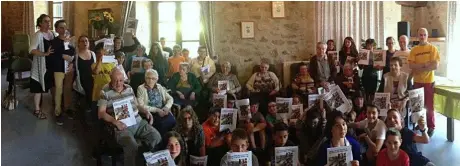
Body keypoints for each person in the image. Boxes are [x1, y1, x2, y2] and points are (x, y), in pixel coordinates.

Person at [97, 68, 161, 166]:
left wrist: (145, 111)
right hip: (121, 126)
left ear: (124, 80)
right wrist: (115, 122)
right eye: (115, 81)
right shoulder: (105, 91)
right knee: (132, 145)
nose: (118, 84)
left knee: (156, 137)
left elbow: (137, 105)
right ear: (110, 79)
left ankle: (145, 162)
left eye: (121, 80)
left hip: (138, 122)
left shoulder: (129, 88)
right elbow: (101, 113)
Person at [408, 28, 440, 137]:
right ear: (418, 36)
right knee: (418, 106)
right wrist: (426, 65)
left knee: (429, 106)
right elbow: (411, 65)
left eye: (424, 35)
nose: (422, 37)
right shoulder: (414, 50)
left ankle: (431, 126)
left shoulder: (432, 49)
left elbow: (435, 65)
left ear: (427, 36)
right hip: (417, 81)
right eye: (420, 35)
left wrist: (419, 67)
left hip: (428, 82)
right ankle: (420, 124)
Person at [49, 19, 76, 124]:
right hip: (58, 69)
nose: (64, 29)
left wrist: (72, 62)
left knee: (68, 89)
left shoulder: (69, 41)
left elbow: (73, 53)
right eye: (61, 27)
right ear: (56, 29)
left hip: (69, 69)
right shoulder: (54, 42)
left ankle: (67, 108)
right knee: (59, 90)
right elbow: (51, 57)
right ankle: (58, 112)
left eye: (65, 27)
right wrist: (62, 56)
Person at [29, 14, 55, 119]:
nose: (48, 23)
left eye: (49, 21)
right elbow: (32, 50)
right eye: (45, 21)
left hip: (50, 65)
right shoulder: (38, 35)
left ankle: (55, 105)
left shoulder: (51, 34)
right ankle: (37, 110)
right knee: (38, 88)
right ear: (40, 23)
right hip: (40, 65)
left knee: (50, 85)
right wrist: (45, 54)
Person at [137, 69, 176, 135]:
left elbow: (170, 98)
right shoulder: (141, 88)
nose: (150, 80)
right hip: (151, 113)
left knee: (172, 121)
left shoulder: (159, 87)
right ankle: (161, 142)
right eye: (148, 78)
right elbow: (141, 105)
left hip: (163, 110)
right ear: (145, 78)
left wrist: (166, 107)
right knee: (161, 124)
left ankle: (170, 139)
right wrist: (157, 110)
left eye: (153, 78)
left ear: (156, 79)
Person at [296, 99, 328, 165]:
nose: (313, 125)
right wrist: (304, 113)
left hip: (317, 155)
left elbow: (324, 126)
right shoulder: (304, 129)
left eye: (315, 123)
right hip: (306, 153)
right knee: (301, 134)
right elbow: (298, 126)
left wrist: (324, 117)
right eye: (310, 122)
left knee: (324, 137)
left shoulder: (321, 128)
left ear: (319, 120)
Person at [73, 35, 95, 117]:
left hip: (93, 78)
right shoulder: (76, 56)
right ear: (78, 44)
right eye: (82, 41)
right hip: (82, 79)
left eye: (86, 41)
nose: (85, 43)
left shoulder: (93, 54)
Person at [91, 42, 116, 109]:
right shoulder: (94, 64)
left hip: (109, 90)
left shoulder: (112, 64)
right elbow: (96, 71)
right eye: (98, 53)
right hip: (97, 92)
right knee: (96, 109)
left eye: (103, 52)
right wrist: (100, 60)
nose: (101, 54)